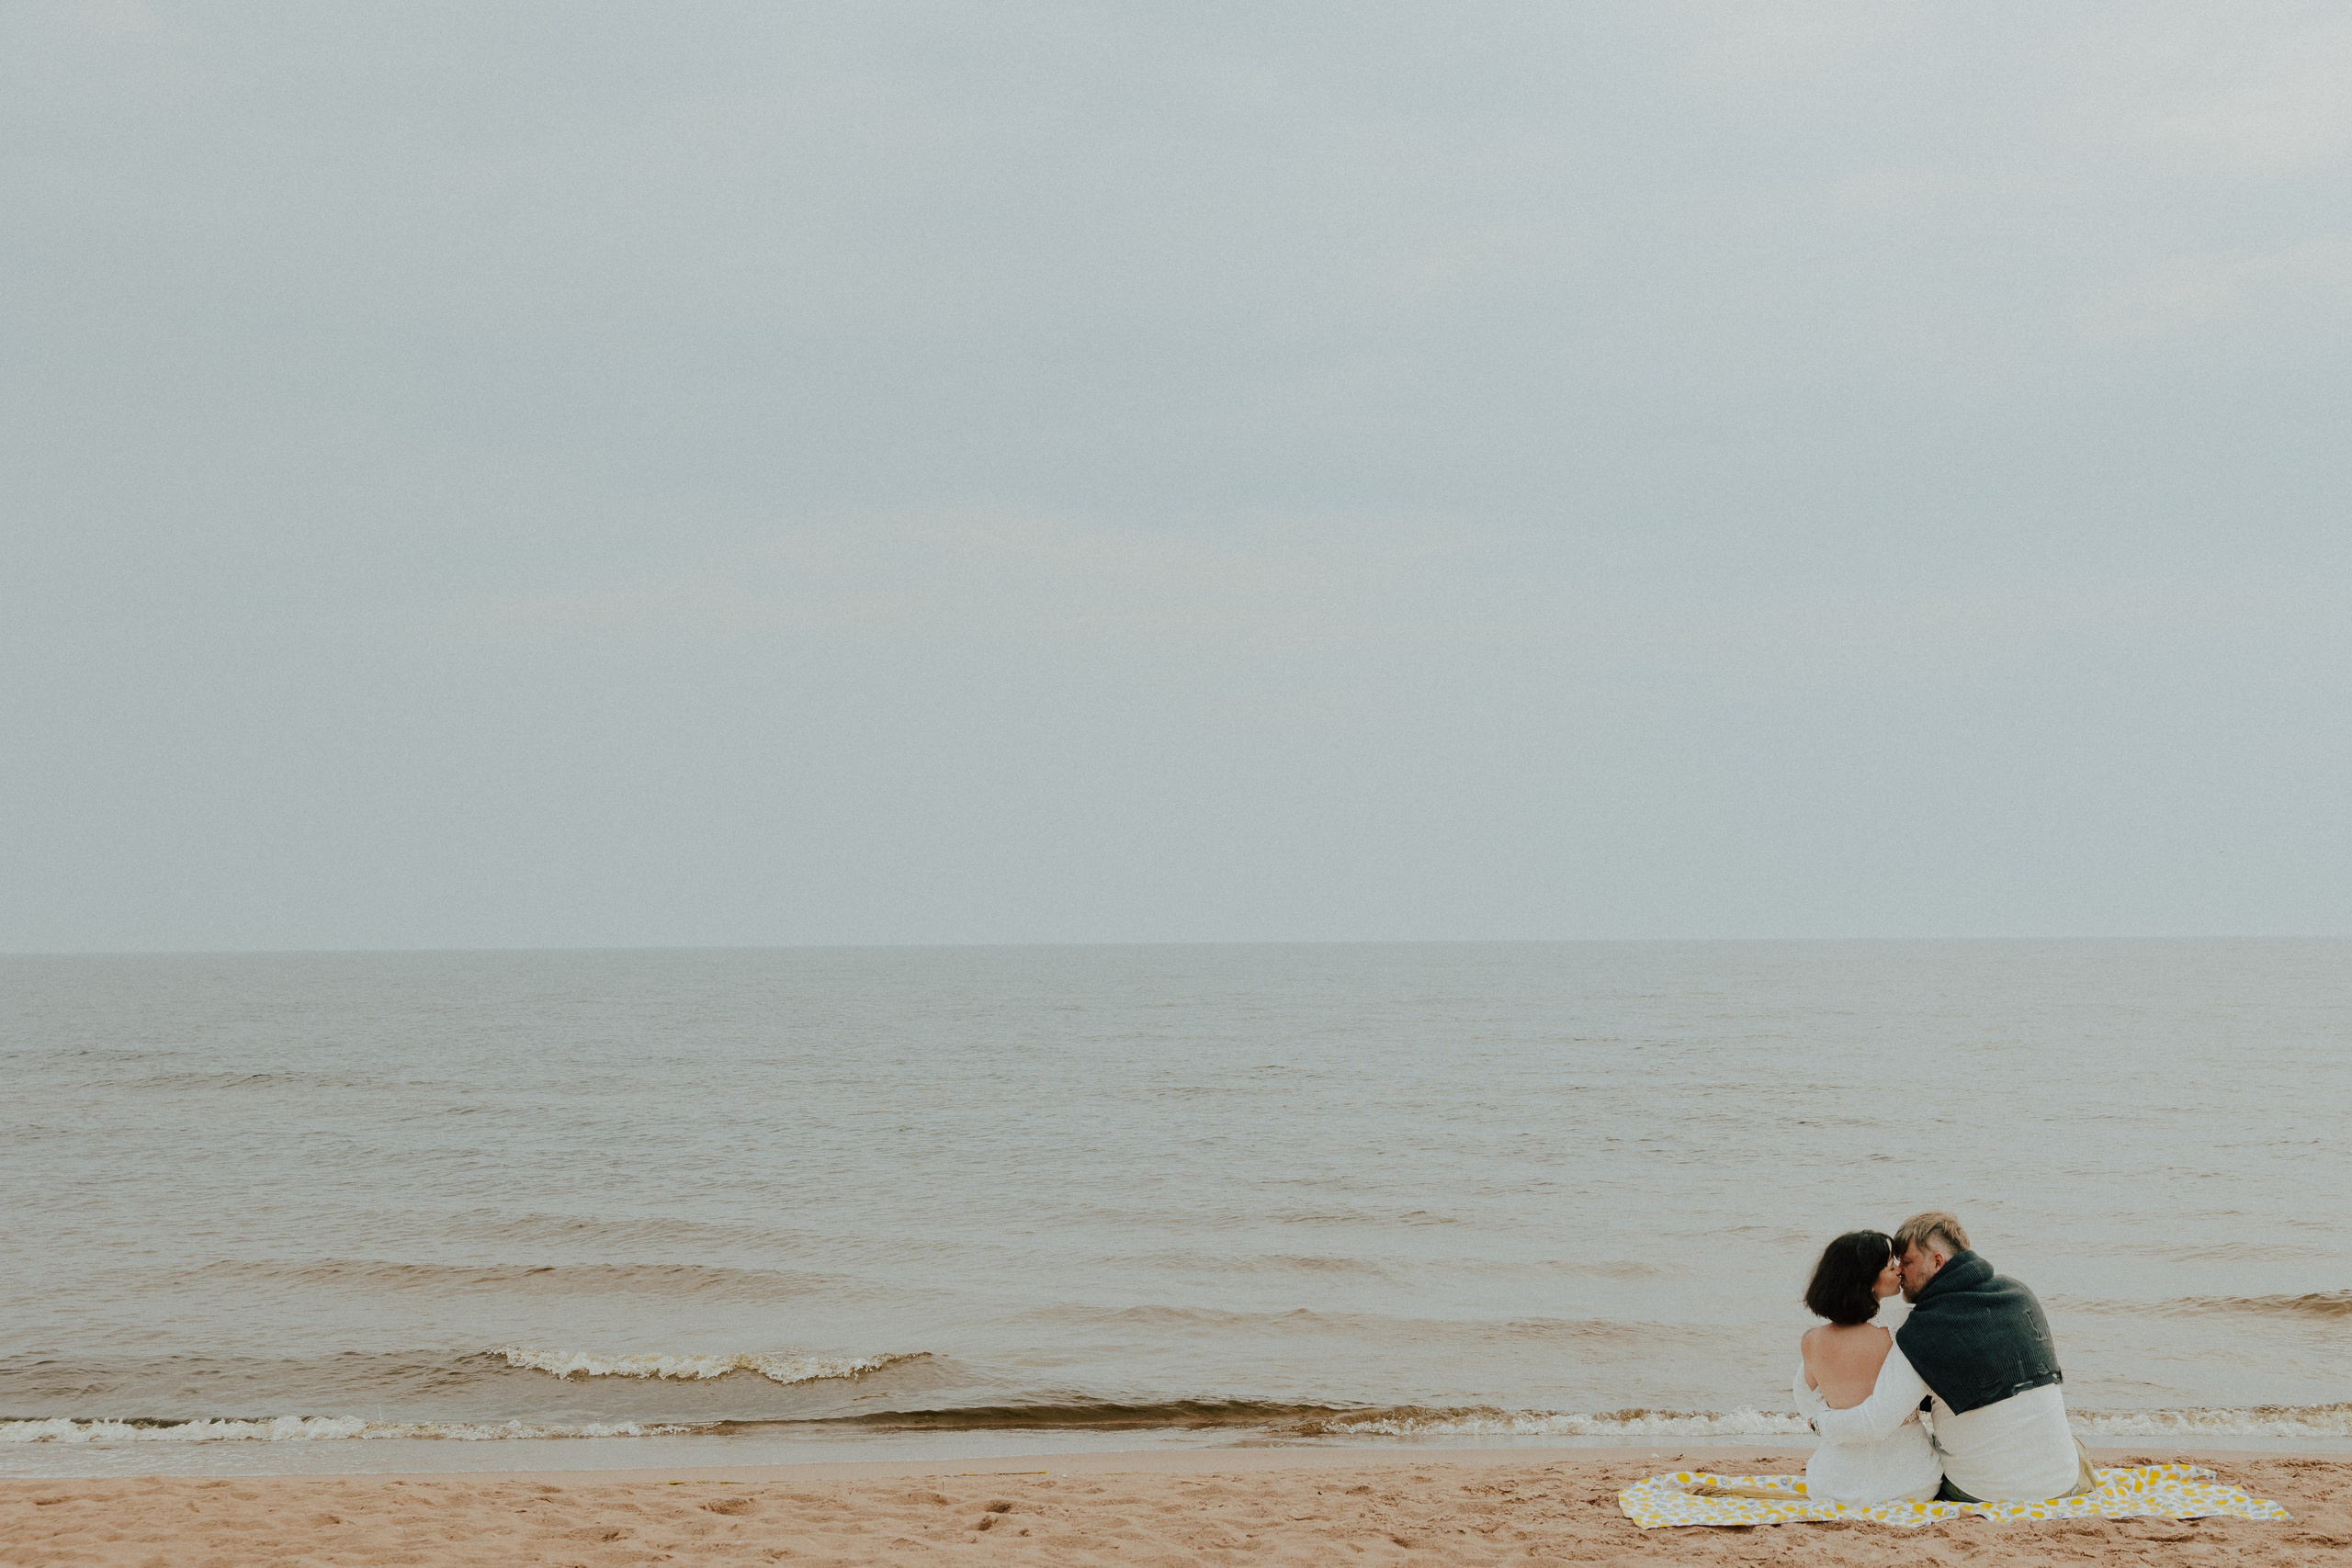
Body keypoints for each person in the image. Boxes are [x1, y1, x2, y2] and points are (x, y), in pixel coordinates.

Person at [1811, 1212, 2095, 1502]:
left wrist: (1821, 1422)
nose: (1900, 1271)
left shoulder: (1923, 1328)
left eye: (1907, 1262)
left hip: (1981, 1492)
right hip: (2061, 1482)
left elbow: (1877, 1421)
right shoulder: (2019, 1294)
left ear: (1936, 1261)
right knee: (2073, 1444)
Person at [1789, 1230, 1942, 1503]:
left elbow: (1806, 1403)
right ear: (1867, 1281)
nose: (1899, 1269)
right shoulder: (1904, 1326)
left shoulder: (1812, 1341)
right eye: (1889, 1265)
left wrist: (1829, 1422)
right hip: (1908, 1480)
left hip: (1833, 1485)